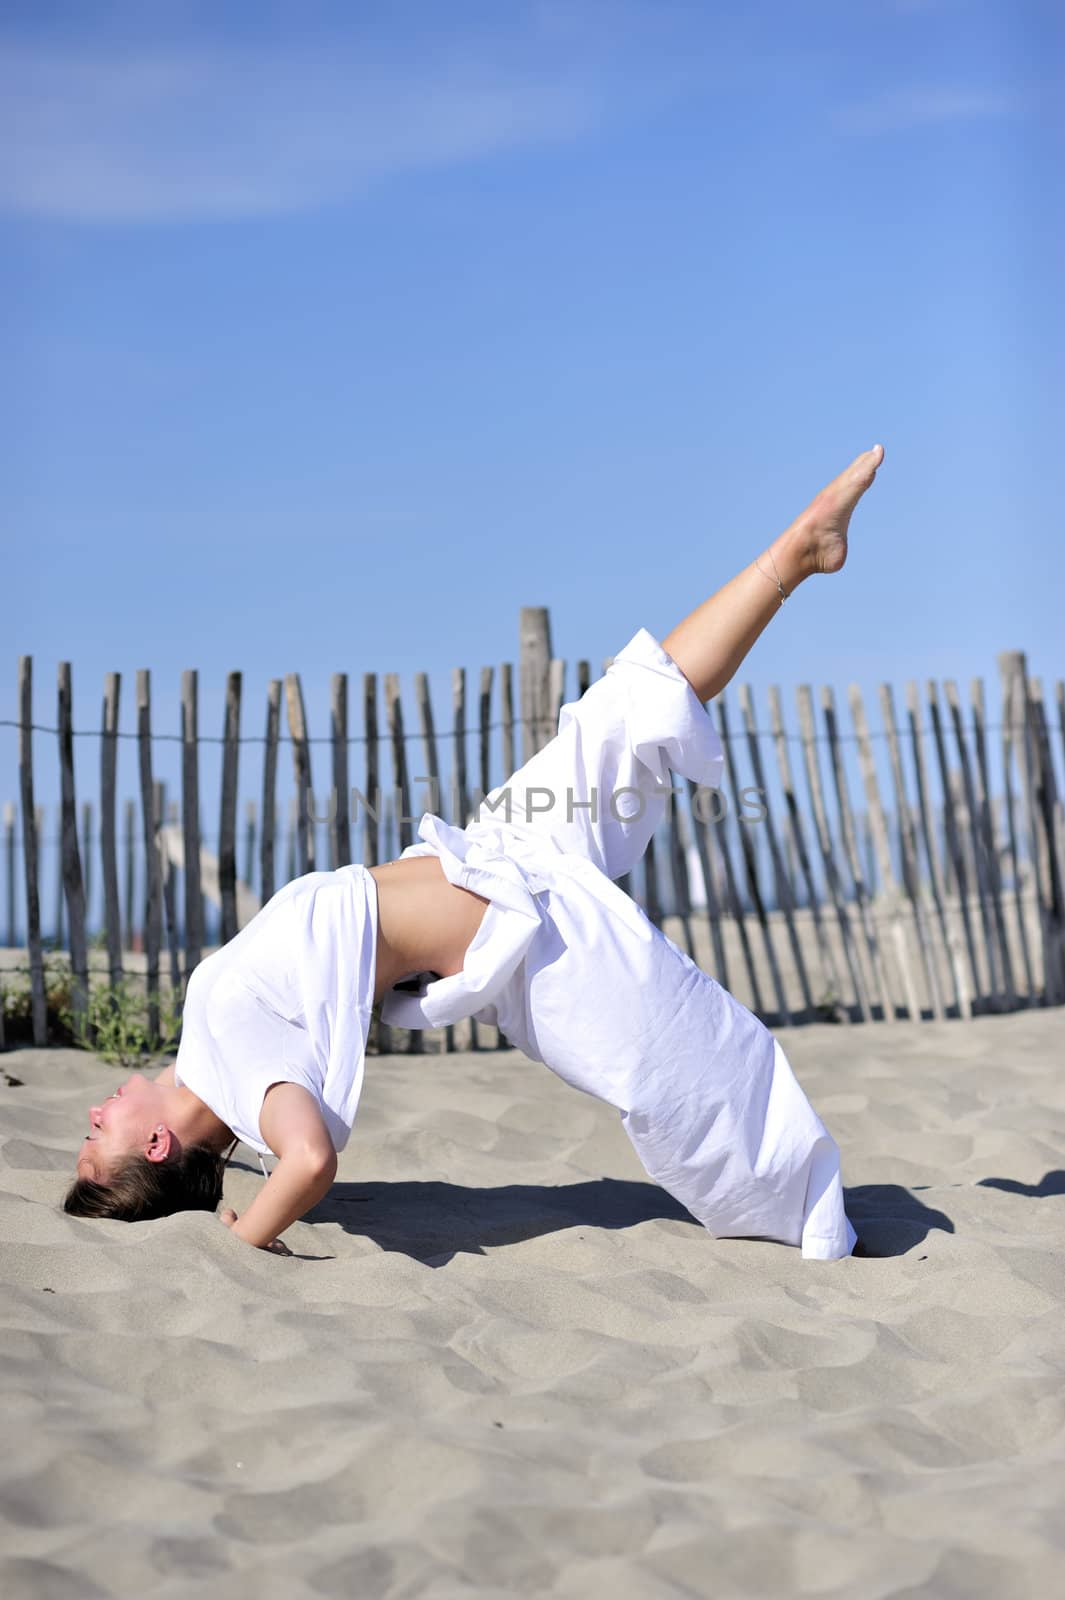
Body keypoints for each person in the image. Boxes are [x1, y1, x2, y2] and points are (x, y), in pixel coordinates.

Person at [65, 445, 885, 1259]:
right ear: (160, 1148)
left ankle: (796, 552)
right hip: (528, 938)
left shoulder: (212, 1062)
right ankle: (805, 1213)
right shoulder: (240, 1081)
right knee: (683, 1068)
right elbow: (310, 1159)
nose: (94, 1116)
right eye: (98, 1140)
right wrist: (248, 1235)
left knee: (627, 710)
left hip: (497, 853)